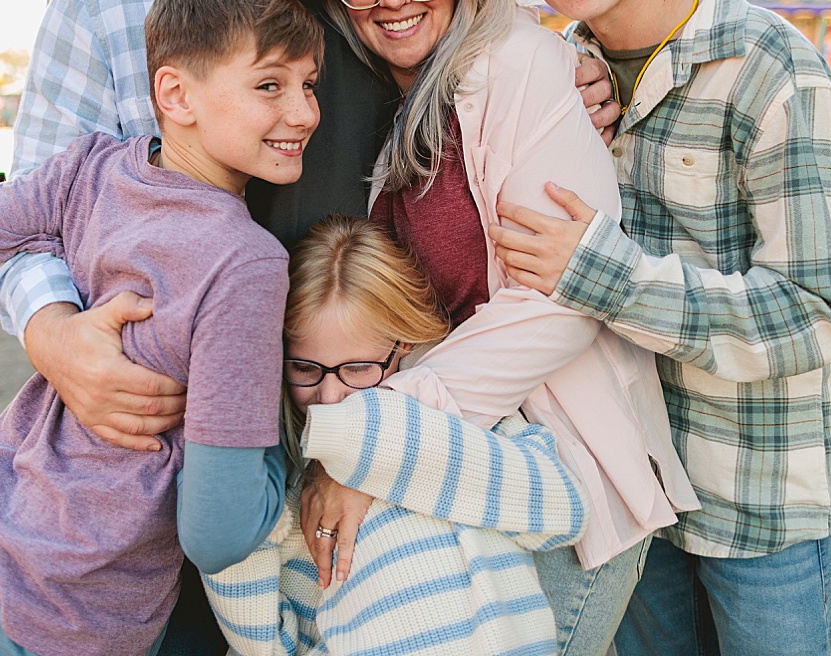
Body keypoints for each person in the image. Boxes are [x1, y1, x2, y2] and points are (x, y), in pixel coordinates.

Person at [0, 0, 615, 460]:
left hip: (364, 408)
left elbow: (456, 14)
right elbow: (28, 215)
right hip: (172, 428)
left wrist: (573, 57)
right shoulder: (105, 0)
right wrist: (52, 333)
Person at [484, 0, 831, 656]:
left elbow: (814, 314)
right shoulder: (559, 73)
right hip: (632, 487)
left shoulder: (771, 69)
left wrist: (604, 275)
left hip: (759, 500)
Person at [296, 0, 696, 656]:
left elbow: (561, 303)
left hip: (565, 465)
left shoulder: (520, 66)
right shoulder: (384, 93)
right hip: (465, 461)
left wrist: (379, 433)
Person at [0, 0, 318, 656]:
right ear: (175, 95)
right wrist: (292, 464)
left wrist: (38, 257)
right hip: (78, 615)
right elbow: (219, 532)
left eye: (309, 84)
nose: (305, 113)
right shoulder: (245, 264)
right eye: (270, 85)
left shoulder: (87, 173)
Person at [205, 215, 588, 656]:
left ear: (404, 345)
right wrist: (234, 513)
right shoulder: (299, 499)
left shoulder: (465, 421)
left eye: (357, 369)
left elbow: (566, 514)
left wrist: (371, 440)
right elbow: (269, 647)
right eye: (305, 369)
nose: (329, 398)